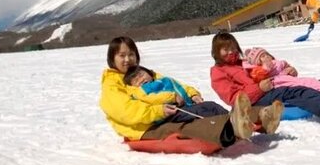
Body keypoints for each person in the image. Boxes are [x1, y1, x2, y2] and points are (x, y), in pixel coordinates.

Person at [99, 36, 284, 150]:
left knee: (207, 107)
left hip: (170, 110)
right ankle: (233, 127)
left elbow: (173, 84)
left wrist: (192, 93)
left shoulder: (145, 73)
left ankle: (260, 116)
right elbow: (126, 111)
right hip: (143, 128)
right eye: (122, 55)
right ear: (112, 59)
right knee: (185, 125)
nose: (128, 59)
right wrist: (159, 111)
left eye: (131, 54)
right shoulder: (112, 85)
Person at [242, 47, 320, 94]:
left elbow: (288, 67)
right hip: (279, 83)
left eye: (266, 54)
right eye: (262, 56)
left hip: (288, 78)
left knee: (309, 81)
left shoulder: (278, 63)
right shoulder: (258, 69)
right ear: (257, 62)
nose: (266, 57)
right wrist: (265, 69)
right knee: (302, 85)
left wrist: (292, 70)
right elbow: (257, 77)